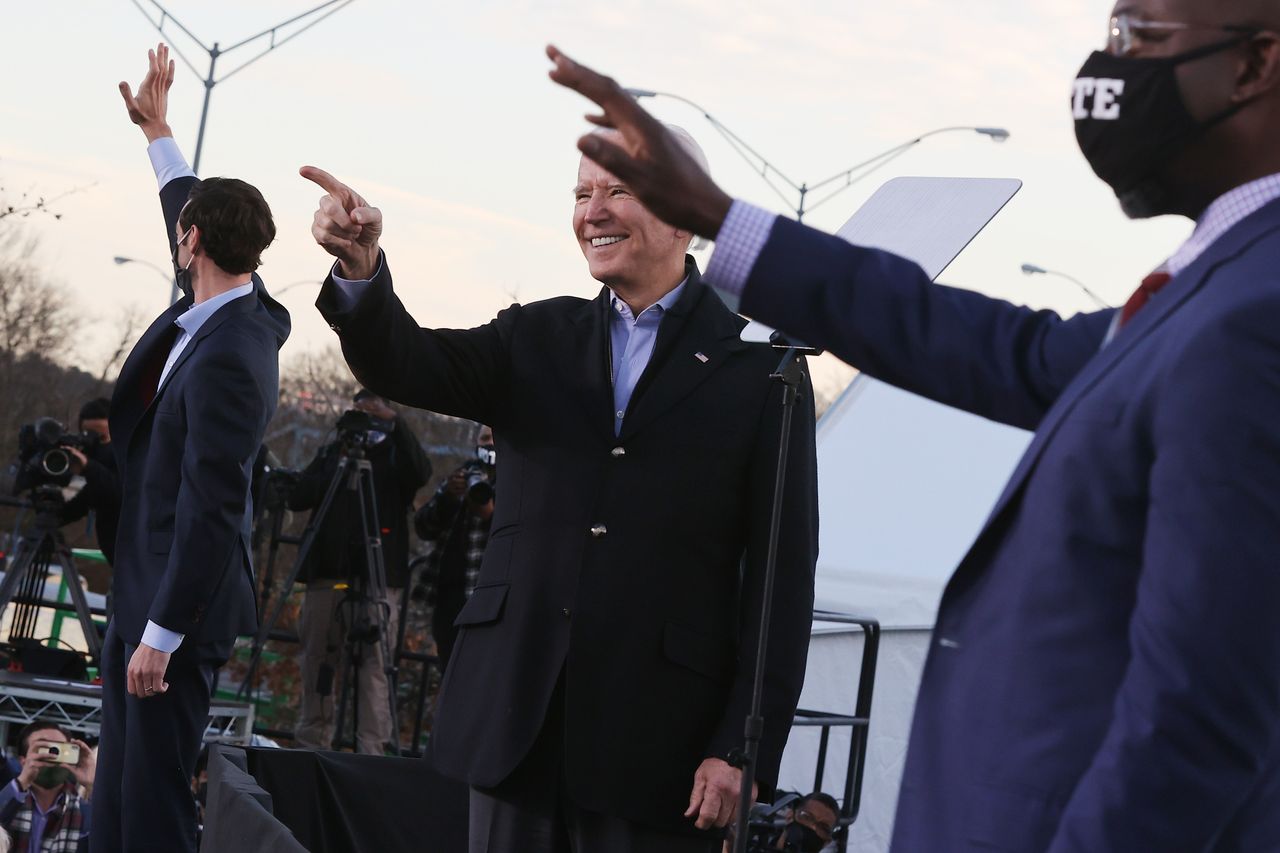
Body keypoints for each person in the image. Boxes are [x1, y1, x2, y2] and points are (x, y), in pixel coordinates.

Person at [546, 3, 1280, 848]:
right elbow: (990, 343)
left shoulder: (1255, 316)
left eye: (1138, 37)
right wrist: (720, 215)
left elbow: (1203, 708)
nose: (1110, 70)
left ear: (1256, 64)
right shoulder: (1214, 283)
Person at [302, 122, 819, 850]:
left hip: (659, 756)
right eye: (582, 193)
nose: (592, 211)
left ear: (684, 216)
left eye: (617, 190)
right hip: (515, 730)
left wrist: (742, 746)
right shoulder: (534, 337)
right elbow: (408, 362)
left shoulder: (763, 375)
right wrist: (362, 268)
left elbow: (781, 584)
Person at [94, 44, 290, 853]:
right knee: (119, 786)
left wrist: (162, 633)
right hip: (143, 587)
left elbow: (215, 505)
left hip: (175, 608)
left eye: (185, 229)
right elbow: (188, 200)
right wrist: (159, 130)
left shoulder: (236, 355)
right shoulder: (228, 296)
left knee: (153, 797)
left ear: (193, 242)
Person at [288, 389, 432, 754]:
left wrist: (394, 424)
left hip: (379, 578)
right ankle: (312, 748)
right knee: (318, 661)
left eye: (372, 410)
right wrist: (335, 454)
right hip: (327, 575)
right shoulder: (335, 450)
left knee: (375, 669)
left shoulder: (394, 454)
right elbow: (300, 494)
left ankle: (372, 753)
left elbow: (420, 472)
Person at [414, 423, 495, 671]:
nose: (488, 445)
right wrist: (448, 497)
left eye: (494, 438)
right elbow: (424, 527)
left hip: (485, 595)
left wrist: (488, 511)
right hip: (448, 596)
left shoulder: (519, 482)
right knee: (448, 667)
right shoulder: (463, 475)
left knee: (477, 670)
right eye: (484, 439)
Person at [0, 722, 96, 853]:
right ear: (23, 760)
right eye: (43, 748)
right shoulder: (9, 797)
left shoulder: (84, 811)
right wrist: (23, 780)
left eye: (59, 749)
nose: (52, 755)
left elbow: (108, 835)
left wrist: (92, 785)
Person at [61, 398, 121, 566]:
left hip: (134, 555)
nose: (95, 443)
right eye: (89, 436)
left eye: (102, 437)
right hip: (115, 556)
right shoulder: (88, 465)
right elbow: (74, 502)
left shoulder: (130, 457)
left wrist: (88, 466)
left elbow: (120, 493)